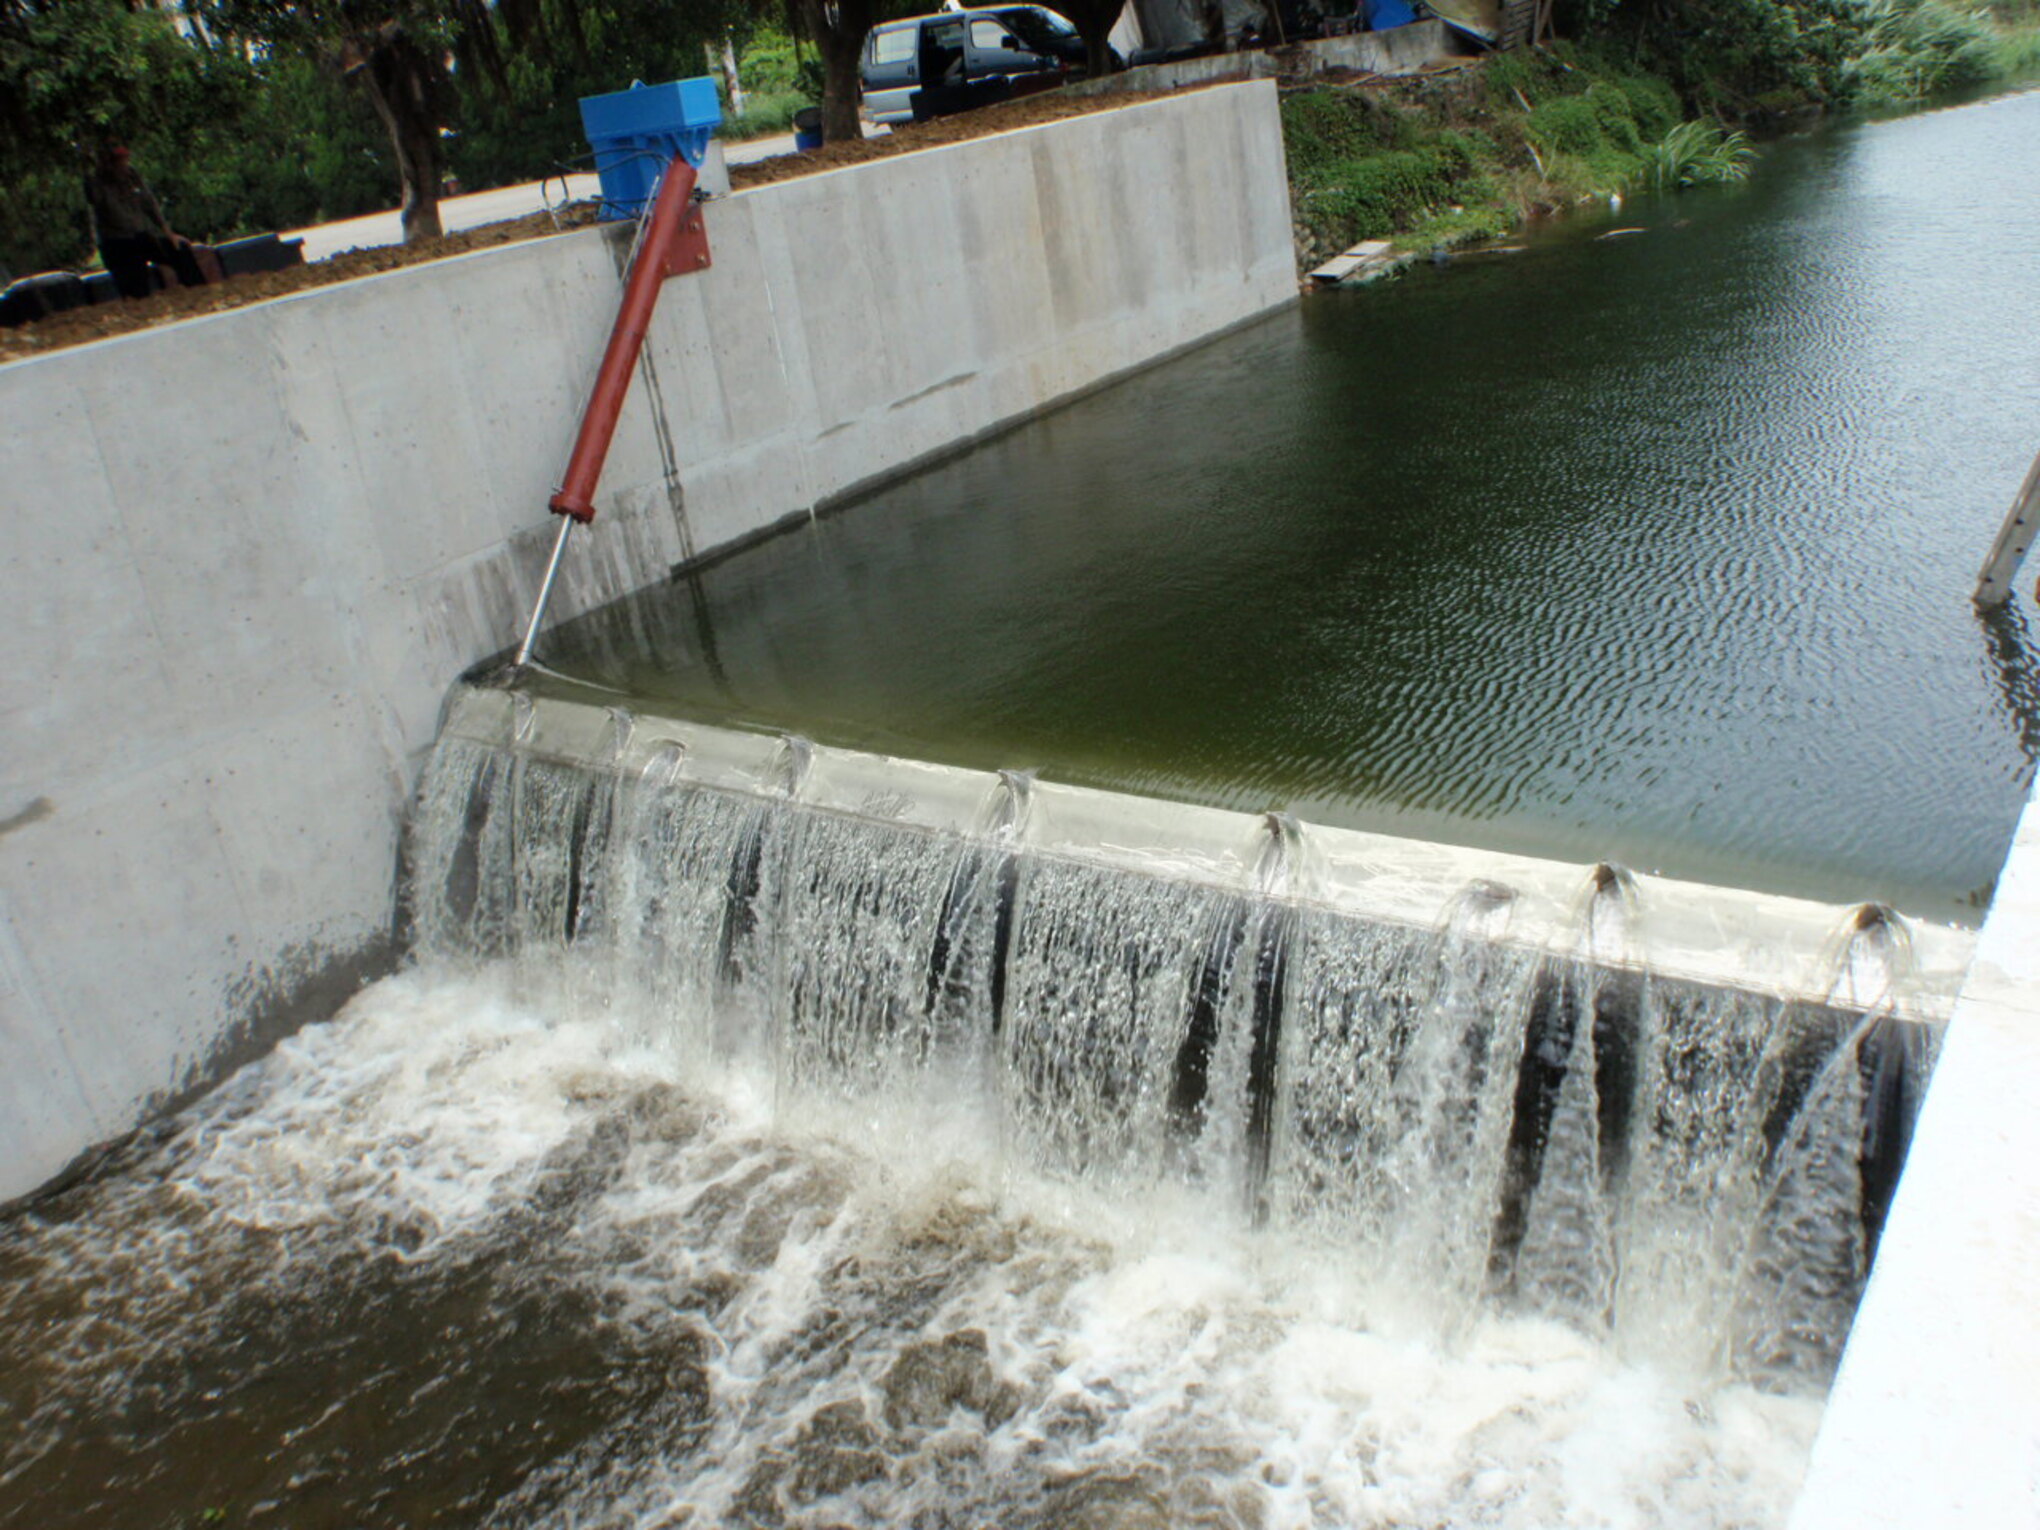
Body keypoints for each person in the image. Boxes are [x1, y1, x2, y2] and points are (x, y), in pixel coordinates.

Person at [82, 142, 208, 300]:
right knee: (136, 287)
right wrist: (88, 170)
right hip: (118, 243)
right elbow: (95, 199)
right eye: (118, 162)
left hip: (140, 236)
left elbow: (149, 203)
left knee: (179, 250)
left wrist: (168, 232)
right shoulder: (98, 184)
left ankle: (199, 292)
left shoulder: (132, 176)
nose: (123, 166)